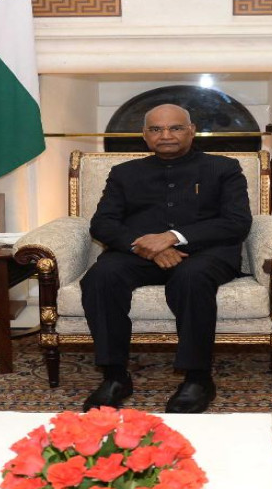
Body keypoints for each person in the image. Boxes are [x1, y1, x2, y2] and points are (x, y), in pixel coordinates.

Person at [80, 103, 252, 414]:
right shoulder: (124, 173)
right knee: (101, 276)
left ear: (192, 131)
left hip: (206, 253)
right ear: (145, 135)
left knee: (191, 277)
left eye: (175, 128)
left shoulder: (224, 168)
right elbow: (103, 224)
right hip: (138, 252)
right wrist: (148, 247)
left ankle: (197, 378)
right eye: (156, 129)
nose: (166, 135)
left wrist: (173, 237)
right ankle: (115, 376)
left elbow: (236, 222)